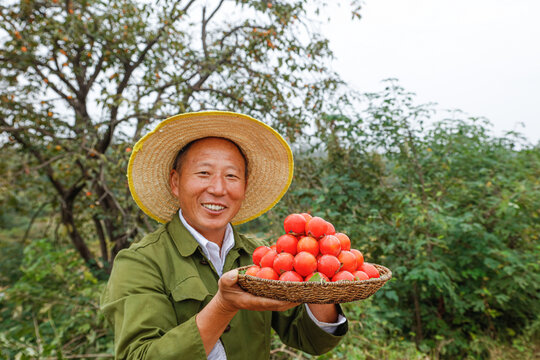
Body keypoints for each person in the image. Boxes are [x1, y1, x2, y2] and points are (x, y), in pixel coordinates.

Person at [100, 111, 348, 359]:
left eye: (231, 176)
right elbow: (140, 355)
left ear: (244, 186)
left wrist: (319, 273)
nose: (218, 189)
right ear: (175, 182)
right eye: (203, 173)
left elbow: (310, 340)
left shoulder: (262, 258)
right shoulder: (141, 262)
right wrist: (224, 306)